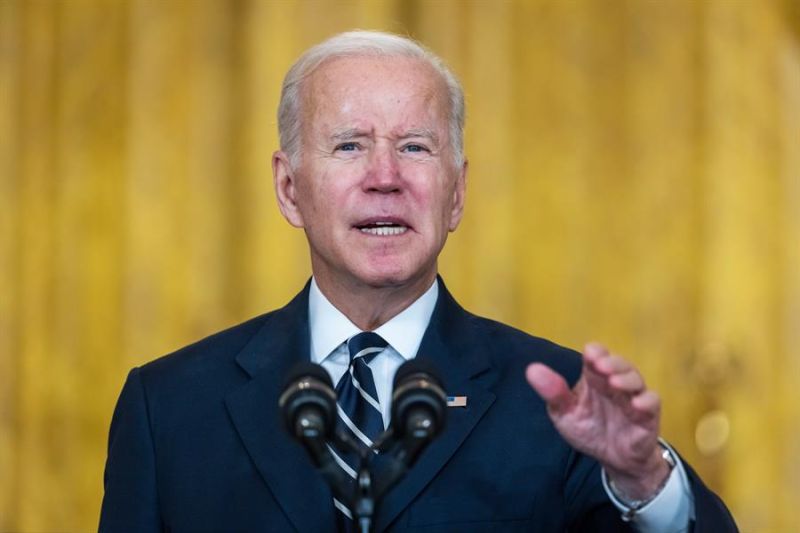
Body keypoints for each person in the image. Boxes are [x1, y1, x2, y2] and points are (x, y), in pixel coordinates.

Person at [99, 30, 737, 532]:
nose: (385, 176)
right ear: (289, 188)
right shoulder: (169, 409)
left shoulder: (561, 406)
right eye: (349, 145)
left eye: (415, 147)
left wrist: (645, 481)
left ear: (456, 194)